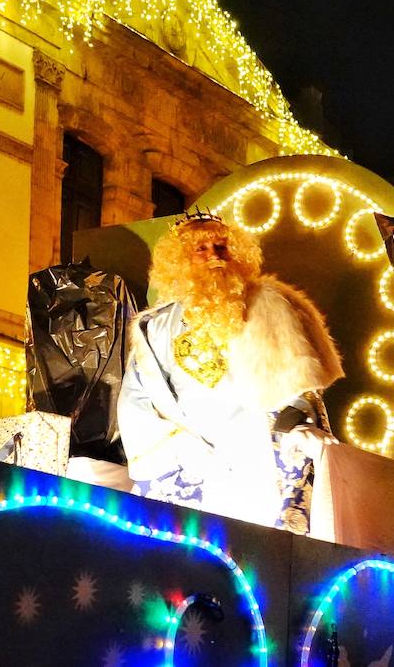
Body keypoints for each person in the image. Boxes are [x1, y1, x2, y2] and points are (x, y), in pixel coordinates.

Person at [117, 211, 343, 532]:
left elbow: (296, 386)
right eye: (201, 249)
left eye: (221, 248)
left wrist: (294, 426)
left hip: (257, 450)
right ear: (181, 261)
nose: (214, 257)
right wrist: (179, 451)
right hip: (188, 457)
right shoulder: (153, 326)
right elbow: (136, 401)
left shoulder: (270, 305)